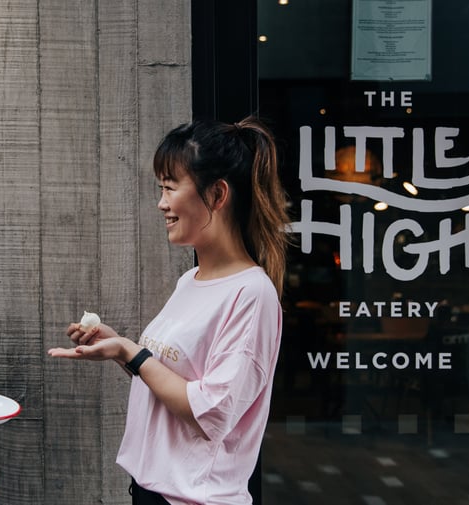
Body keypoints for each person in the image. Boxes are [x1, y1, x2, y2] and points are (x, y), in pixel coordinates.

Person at [49, 116, 290, 505]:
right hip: (154, 491)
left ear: (217, 195)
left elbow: (210, 411)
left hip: (196, 498)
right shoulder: (190, 280)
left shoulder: (251, 293)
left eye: (170, 187)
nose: (161, 203)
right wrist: (116, 347)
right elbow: (170, 379)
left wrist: (132, 351)